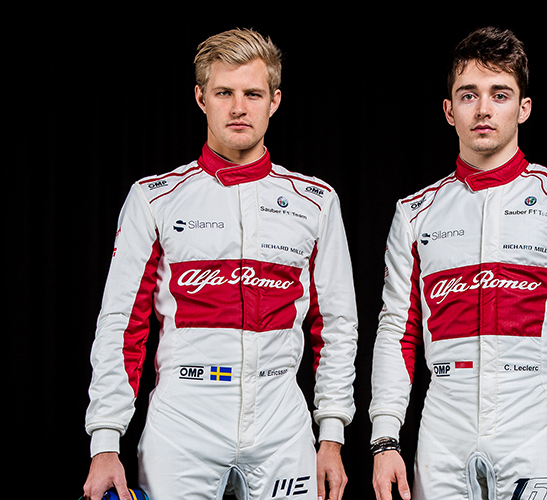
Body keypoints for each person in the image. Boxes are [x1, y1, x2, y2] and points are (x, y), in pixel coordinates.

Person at [83, 28, 358, 500]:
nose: (238, 108)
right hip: (182, 423)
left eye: (253, 94)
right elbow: (122, 324)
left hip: (281, 423)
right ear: (200, 98)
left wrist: (331, 434)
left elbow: (336, 325)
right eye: (224, 92)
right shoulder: (154, 198)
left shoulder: (316, 201)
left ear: (274, 101)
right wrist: (105, 441)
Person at [369, 27, 547, 500]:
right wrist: (384, 439)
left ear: (523, 108)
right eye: (469, 95)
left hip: (533, 436)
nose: (484, 109)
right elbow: (397, 331)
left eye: (500, 94)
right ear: (449, 110)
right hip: (441, 442)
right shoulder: (414, 213)